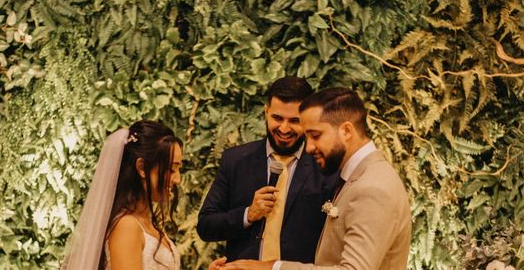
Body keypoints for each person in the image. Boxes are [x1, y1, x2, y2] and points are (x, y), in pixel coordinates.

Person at [223, 87, 412, 270]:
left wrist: (273, 267)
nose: (308, 148)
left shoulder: (373, 188)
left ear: (346, 131)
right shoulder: (358, 177)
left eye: (315, 135)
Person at [197, 77, 336, 263]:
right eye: (277, 118)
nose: (284, 129)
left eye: (294, 121)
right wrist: (248, 214)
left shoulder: (326, 166)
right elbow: (206, 226)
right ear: (266, 112)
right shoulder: (236, 160)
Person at [62, 120, 227, 270]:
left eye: (178, 169)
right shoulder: (127, 226)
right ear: (141, 168)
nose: (177, 179)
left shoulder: (146, 222)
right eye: (170, 169)